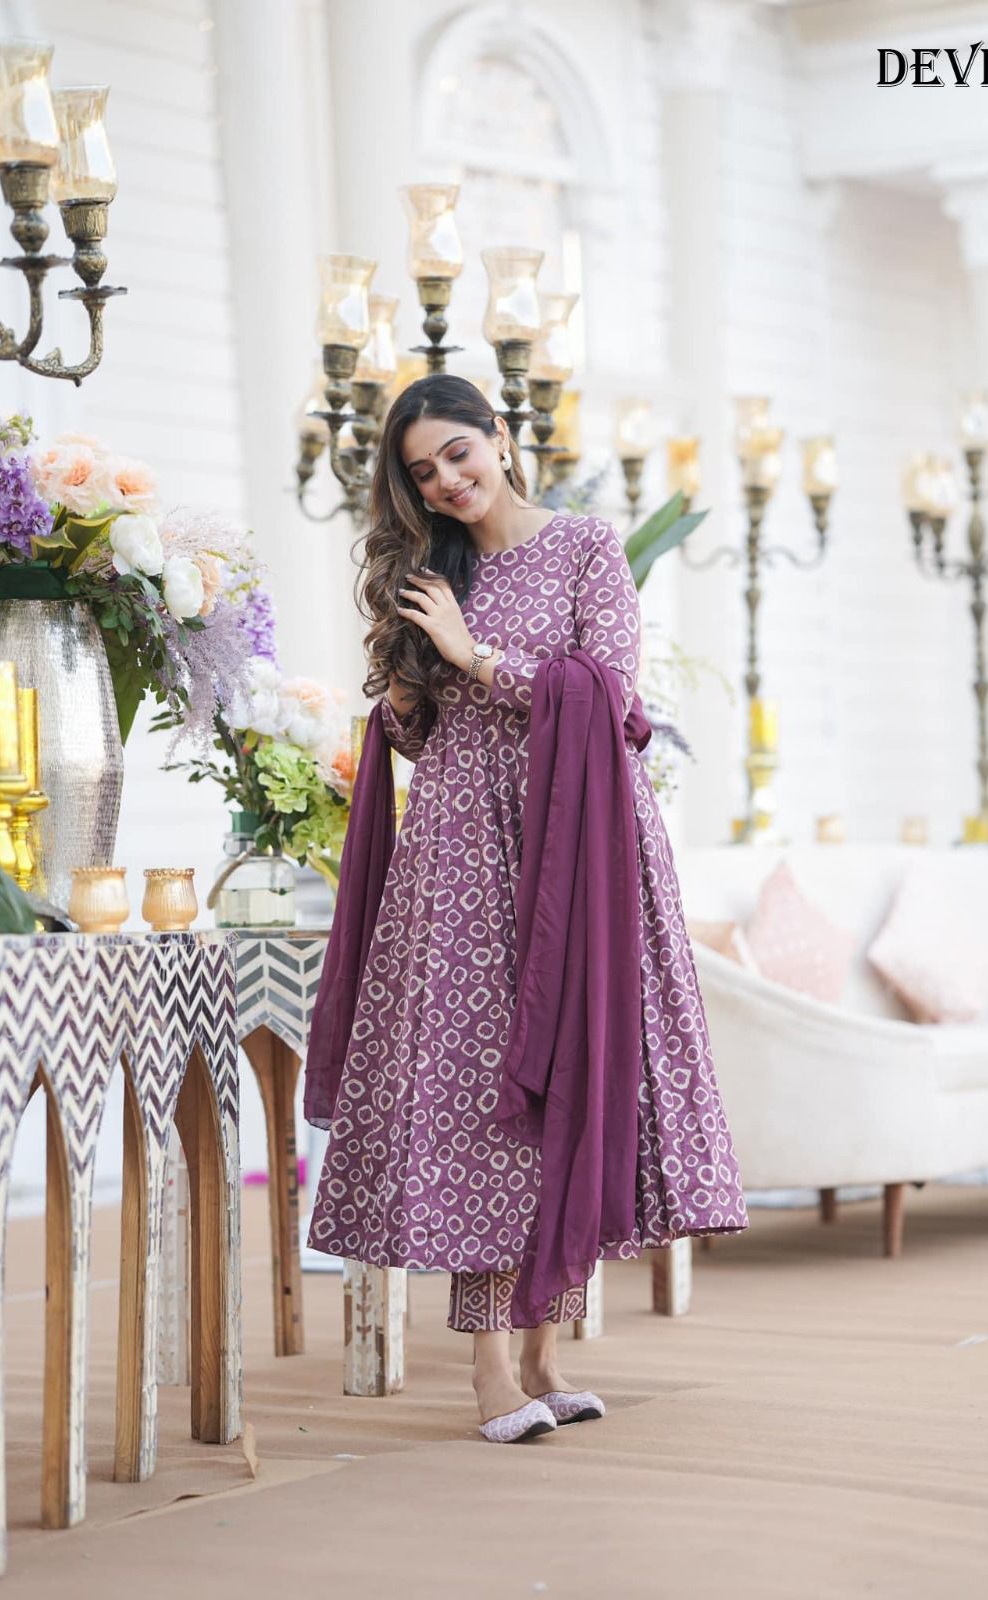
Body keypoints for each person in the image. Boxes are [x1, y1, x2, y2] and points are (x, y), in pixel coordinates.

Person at [306, 373, 748, 1443]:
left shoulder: (586, 546)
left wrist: (474, 656)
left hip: (579, 841)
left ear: (499, 438)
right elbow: (421, 732)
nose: (446, 481)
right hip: (464, 848)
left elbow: (609, 691)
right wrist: (405, 692)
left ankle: (547, 1354)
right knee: (480, 1092)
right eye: (422, 472)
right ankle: (489, 1369)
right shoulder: (430, 572)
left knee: (570, 1078)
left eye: (457, 453)